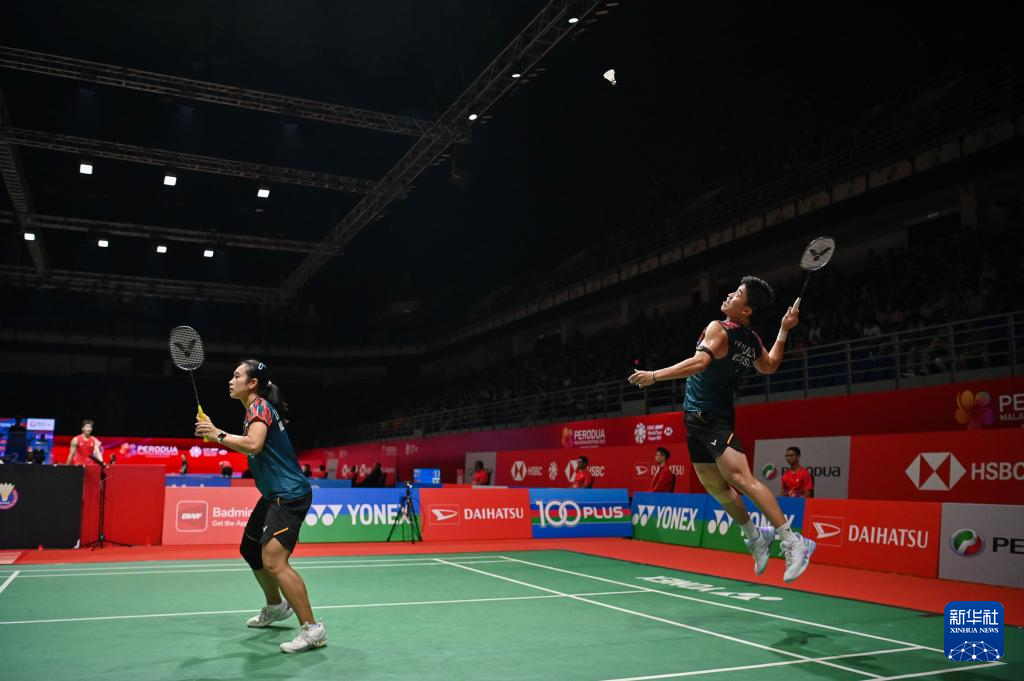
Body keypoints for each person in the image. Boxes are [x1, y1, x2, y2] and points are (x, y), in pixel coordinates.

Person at [628, 276, 815, 583]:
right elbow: (769, 365)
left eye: (737, 293)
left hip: (713, 419)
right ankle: (755, 537)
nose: (729, 294)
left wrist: (654, 375)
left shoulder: (719, 327)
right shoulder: (751, 340)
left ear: (747, 310)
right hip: (695, 420)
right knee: (716, 487)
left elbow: (700, 363)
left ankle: (794, 542)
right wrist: (784, 330)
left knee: (740, 478)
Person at [195, 359, 325, 654]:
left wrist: (217, 434)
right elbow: (251, 443)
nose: (231, 380)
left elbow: (254, 444)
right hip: (272, 496)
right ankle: (276, 606)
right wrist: (218, 435)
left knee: (274, 561)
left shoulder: (259, 408)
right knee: (250, 548)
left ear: (253, 383)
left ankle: (312, 629)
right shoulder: (254, 410)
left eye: (236, 376)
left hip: (289, 495)